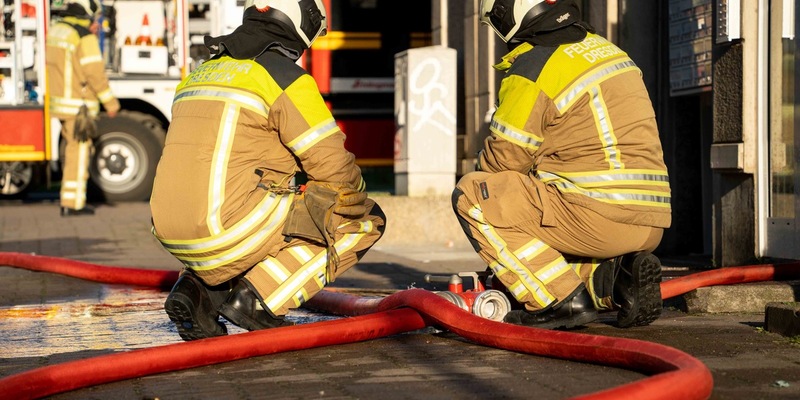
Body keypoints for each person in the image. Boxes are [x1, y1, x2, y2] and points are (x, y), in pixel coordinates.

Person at [150, 0, 386, 341]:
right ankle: (260, 300)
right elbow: (334, 168)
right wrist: (352, 194)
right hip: (225, 226)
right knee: (359, 218)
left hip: (169, 228)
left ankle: (195, 292)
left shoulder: (201, 71)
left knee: (260, 201)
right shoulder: (283, 76)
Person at [452, 0, 671, 330]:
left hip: (597, 216)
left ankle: (558, 301)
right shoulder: (608, 50)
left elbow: (502, 164)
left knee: (474, 195)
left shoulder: (535, 66)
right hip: (651, 221)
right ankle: (616, 281)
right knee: (542, 240)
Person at [46, 0, 119, 217]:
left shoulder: (57, 30)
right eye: (95, 20)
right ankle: (73, 204)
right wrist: (111, 103)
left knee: (71, 151)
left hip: (61, 104)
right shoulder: (83, 37)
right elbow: (95, 73)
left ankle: (69, 200)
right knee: (79, 153)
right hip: (79, 106)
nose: (97, 25)